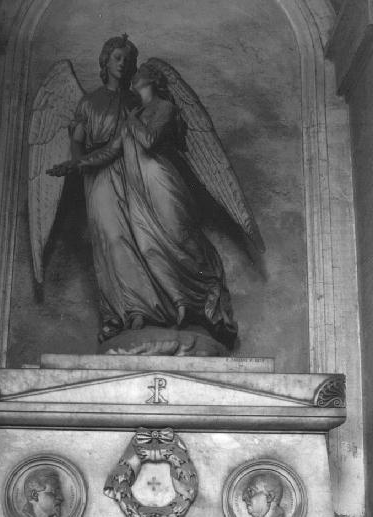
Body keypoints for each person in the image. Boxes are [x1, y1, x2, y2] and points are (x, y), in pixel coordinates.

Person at [47, 41, 237, 348]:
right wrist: (77, 164)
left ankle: (148, 311)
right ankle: (118, 315)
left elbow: (156, 137)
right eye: (117, 58)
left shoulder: (138, 102)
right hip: (100, 174)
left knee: (145, 240)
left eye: (129, 59)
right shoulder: (90, 102)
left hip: (138, 177)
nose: (123, 64)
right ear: (105, 61)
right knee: (112, 239)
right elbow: (82, 142)